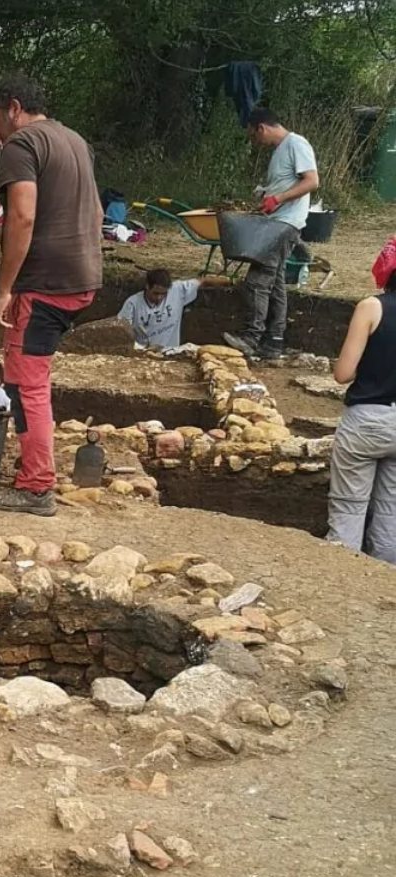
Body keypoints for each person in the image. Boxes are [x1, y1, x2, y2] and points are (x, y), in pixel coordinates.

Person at [0, 75, 103, 517]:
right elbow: (93, 211)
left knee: (24, 385)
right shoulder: (73, 140)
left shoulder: (23, 145)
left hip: (45, 284)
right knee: (34, 378)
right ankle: (34, 465)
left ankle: (35, 487)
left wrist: (4, 289)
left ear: (15, 108)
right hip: (81, 279)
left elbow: (21, 217)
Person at [223, 109, 319, 361]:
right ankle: (274, 343)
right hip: (279, 221)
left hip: (285, 224)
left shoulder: (296, 144)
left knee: (257, 280)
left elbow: (311, 181)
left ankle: (250, 338)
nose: (257, 142)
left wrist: (278, 198)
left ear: (261, 128)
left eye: (255, 136)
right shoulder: (281, 151)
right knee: (275, 283)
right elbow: (286, 185)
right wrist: (267, 193)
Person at [325, 237, 396, 563]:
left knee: (349, 506)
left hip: (366, 421)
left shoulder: (372, 307)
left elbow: (343, 373)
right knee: (391, 510)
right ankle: (382, 586)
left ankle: (342, 578)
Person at [117, 268, 226, 349]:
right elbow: (121, 331)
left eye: (163, 294)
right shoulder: (133, 304)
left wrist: (230, 282)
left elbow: (202, 281)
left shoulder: (177, 291)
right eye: (156, 293)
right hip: (143, 354)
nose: (159, 297)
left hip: (173, 354)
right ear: (147, 286)